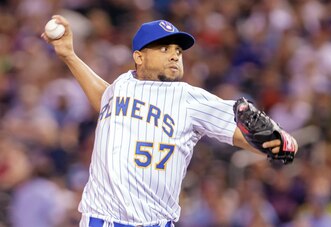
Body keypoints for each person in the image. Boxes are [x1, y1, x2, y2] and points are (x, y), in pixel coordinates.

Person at [42, 15, 298, 227]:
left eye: (177, 50)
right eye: (164, 49)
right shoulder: (122, 84)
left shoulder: (189, 98)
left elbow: (245, 133)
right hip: (101, 219)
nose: (175, 55)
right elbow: (105, 100)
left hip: (156, 222)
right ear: (139, 57)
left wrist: (280, 143)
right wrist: (69, 56)